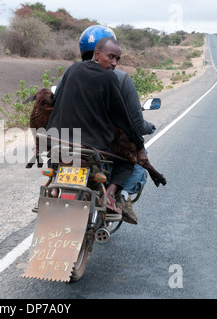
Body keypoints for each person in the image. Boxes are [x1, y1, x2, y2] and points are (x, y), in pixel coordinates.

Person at [46, 37, 148, 224]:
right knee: (129, 160)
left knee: (56, 159)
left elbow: (55, 102)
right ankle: (110, 195)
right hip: (92, 147)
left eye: (117, 59)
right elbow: (124, 117)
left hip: (59, 141)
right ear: (97, 53)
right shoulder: (110, 78)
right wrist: (139, 145)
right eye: (111, 57)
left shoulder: (72, 69)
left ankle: (54, 186)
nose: (114, 63)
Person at [79, 25, 157, 223]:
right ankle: (118, 196)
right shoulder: (120, 79)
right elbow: (136, 123)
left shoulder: (71, 73)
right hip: (104, 146)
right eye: (112, 57)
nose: (113, 62)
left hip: (69, 140)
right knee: (136, 164)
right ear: (101, 51)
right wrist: (149, 127)